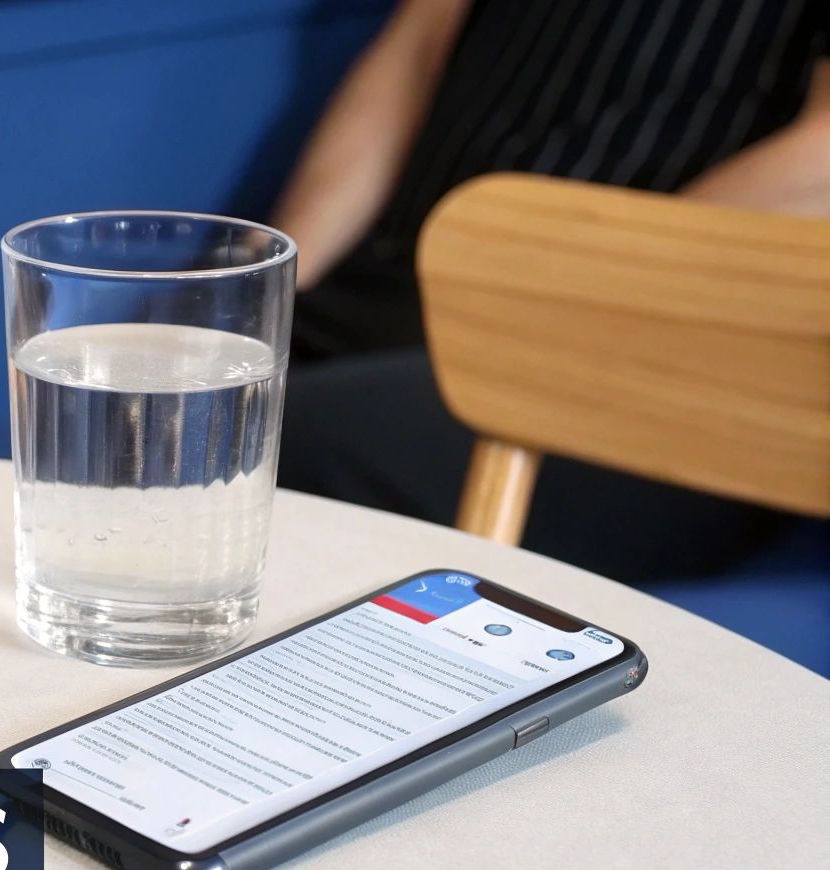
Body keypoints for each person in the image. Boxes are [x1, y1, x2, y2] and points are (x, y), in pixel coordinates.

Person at [269, 0, 830, 582]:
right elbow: (410, 56)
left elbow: (822, 159)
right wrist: (275, 292)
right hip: (396, 281)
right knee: (190, 394)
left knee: (250, 440)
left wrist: (557, 288)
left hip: (642, 359)